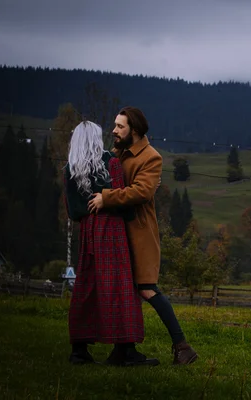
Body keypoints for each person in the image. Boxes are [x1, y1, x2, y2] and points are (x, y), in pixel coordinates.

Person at [87, 107, 198, 365]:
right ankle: (123, 351)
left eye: (120, 126)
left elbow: (142, 193)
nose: (114, 130)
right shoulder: (117, 154)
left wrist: (106, 197)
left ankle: (182, 346)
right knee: (122, 290)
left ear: (134, 130)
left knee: (146, 288)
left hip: (138, 233)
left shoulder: (151, 157)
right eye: (114, 125)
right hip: (116, 233)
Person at [63, 120, 159, 367]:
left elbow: (74, 211)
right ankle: (125, 349)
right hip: (112, 229)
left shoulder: (70, 169)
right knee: (119, 286)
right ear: (95, 139)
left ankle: (79, 350)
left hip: (88, 231)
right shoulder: (110, 164)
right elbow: (122, 203)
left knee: (86, 286)